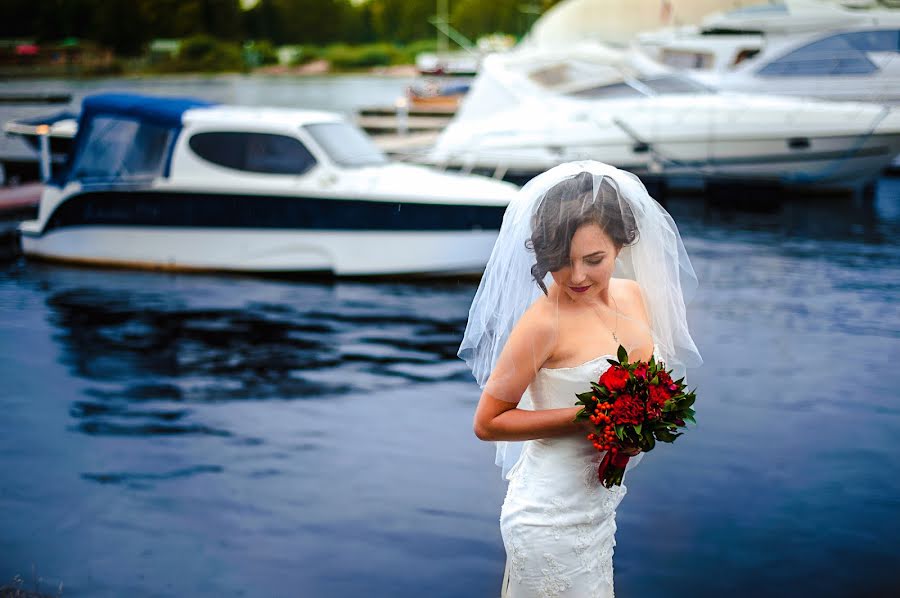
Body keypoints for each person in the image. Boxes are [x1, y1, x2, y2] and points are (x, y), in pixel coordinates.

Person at [459, 161, 701, 597]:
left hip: (599, 509)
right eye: (561, 261)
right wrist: (590, 417)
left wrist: (635, 432)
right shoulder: (543, 325)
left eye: (594, 260)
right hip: (547, 518)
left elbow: (645, 391)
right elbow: (488, 423)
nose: (577, 277)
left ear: (622, 245)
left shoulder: (633, 296)